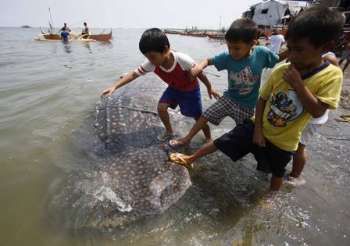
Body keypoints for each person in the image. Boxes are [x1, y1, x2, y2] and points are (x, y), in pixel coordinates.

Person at [170, 6, 344, 191]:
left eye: (298, 50)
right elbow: (263, 99)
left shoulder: (331, 76)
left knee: (276, 171)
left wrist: (298, 85)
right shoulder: (281, 71)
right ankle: (191, 157)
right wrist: (258, 129)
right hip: (255, 121)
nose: (291, 56)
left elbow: (317, 110)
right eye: (289, 49)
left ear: (326, 47)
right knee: (223, 140)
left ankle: (270, 197)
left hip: (284, 139)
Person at [169, 18, 279, 147]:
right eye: (229, 47)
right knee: (205, 116)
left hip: (248, 106)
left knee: (245, 135)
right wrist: (199, 67)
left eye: (237, 48)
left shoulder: (262, 54)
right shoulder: (228, 57)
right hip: (229, 99)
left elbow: (276, 60)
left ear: (252, 43)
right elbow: (208, 60)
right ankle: (186, 139)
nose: (232, 51)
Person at [101, 28, 219, 141]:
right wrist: (114, 86)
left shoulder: (183, 60)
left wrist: (209, 87)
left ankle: (208, 138)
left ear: (165, 49)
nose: (150, 60)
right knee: (161, 108)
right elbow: (133, 74)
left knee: (198, 117)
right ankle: (169, 131)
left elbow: (200, 73)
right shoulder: (152, 63)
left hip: (190, 90)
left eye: (152, 57)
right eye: (146, 57)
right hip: (174, 88)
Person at [286, 51, 340, 186]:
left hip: (312, 117)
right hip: (297, 111)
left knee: (299, 146)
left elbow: (325, 98)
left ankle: (295, 176)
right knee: (289, 142)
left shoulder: (329, 59)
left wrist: (298, 84)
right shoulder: (300, 56)